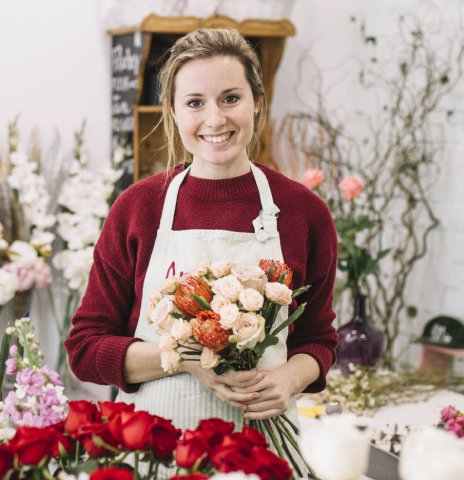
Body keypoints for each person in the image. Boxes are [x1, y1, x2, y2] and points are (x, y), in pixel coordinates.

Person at [64, 28, 338, 431]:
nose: (215, 119)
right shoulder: (139, 208)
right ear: (174, 112)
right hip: (152, 447)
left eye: (231, 98)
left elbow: (318, 339)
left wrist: (290, 378)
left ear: (257, 103)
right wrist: (187, 358)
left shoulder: (304, 212)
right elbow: (85, 348)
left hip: (261, 447)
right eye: (195, 102)